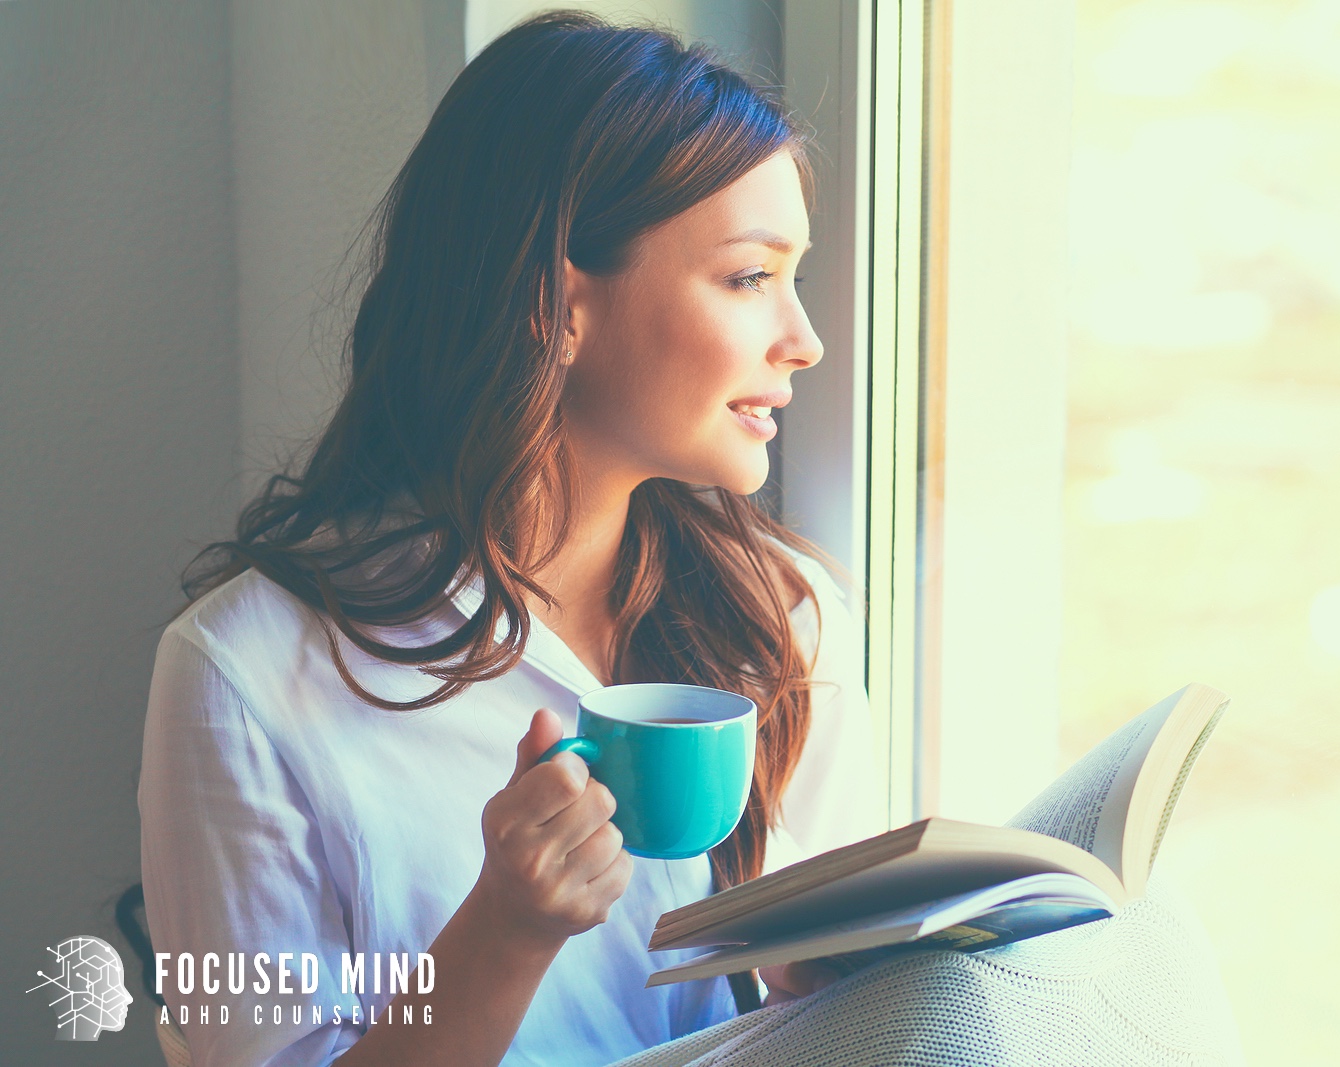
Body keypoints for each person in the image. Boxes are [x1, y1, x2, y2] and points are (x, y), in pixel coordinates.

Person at [136, 12, 882, 1067]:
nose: (803, 341)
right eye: (749, 276)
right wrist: (503, 931)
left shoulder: (787, 620)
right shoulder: (248, 676)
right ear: (555, 302)